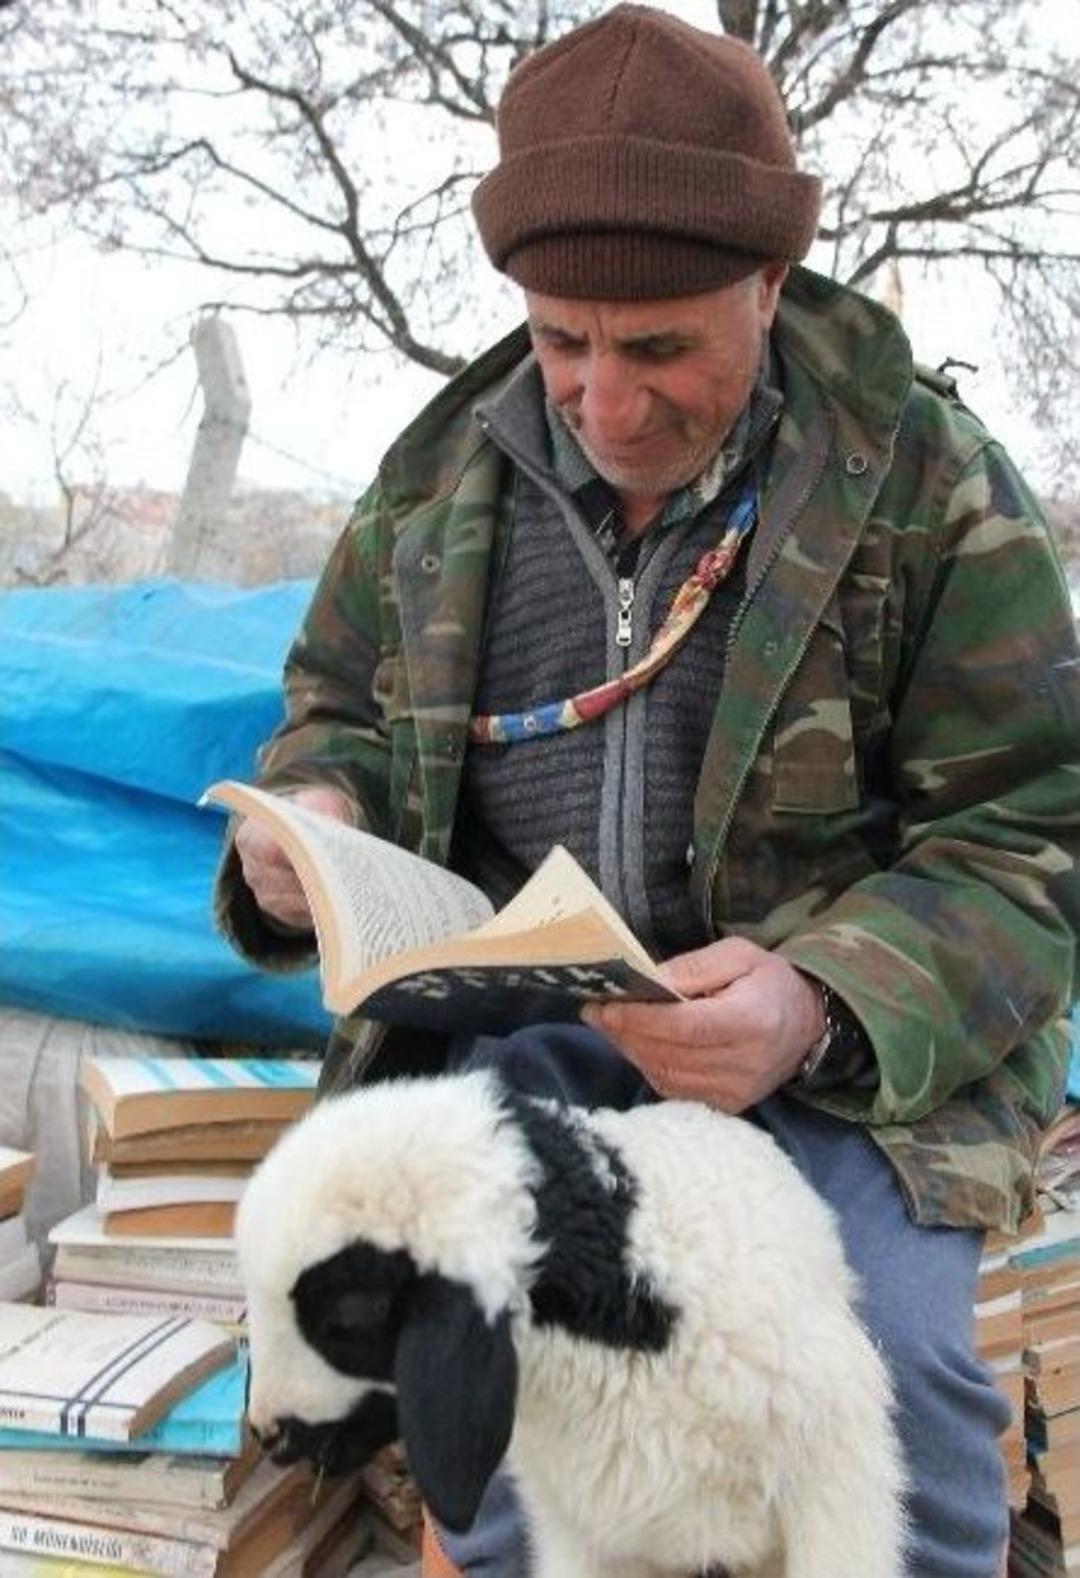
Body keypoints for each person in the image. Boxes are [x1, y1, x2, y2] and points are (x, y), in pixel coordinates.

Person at [214, 7, 1080, 1575]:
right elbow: (333, 707)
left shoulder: (930, 488)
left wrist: (820, 995)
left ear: (766, 283)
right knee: (489, 1363)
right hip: (531, 1041)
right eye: (563, 343)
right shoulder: (430, 490)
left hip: (840, 1074)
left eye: (662, 346)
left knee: (878, 1379)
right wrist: (317, 820)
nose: (605, 406)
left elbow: (1034, 837)